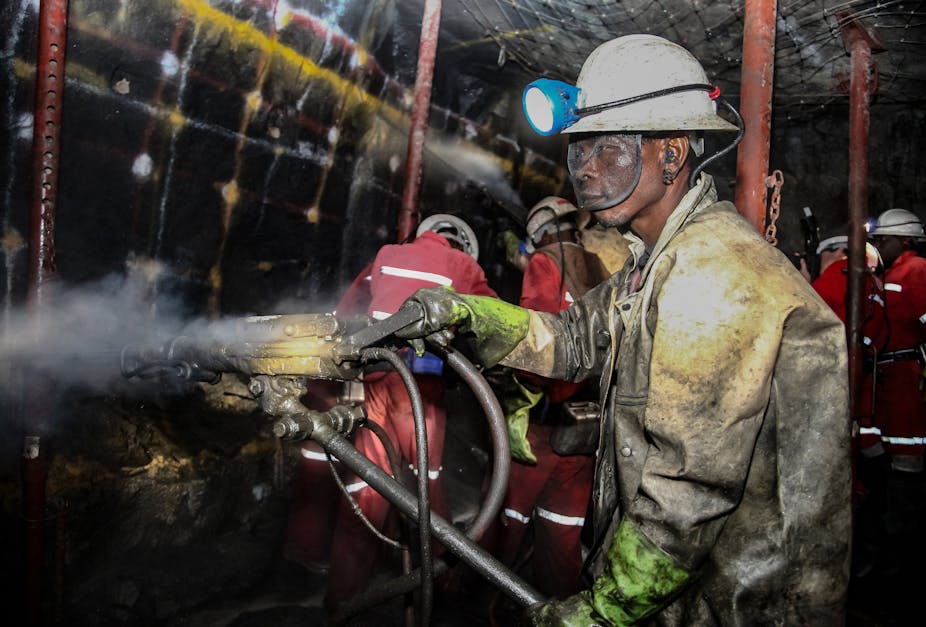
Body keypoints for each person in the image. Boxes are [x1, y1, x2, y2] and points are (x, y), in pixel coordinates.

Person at [393, 34, 851, 624]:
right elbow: (573, 339)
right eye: (579, 148)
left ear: (672, 153)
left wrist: (603, 610)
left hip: (740, 601)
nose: (585, 168)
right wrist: (468, 315)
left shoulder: (714, 273)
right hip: (690, 591)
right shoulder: (657, 260)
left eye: (608, 147)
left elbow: (688, 491)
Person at [324, 213, 497, 606]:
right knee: (428, 483)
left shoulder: (386, 253)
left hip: (375, 381)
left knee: (370, 484)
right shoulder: (462, 265)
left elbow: (346, 310)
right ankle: (437, 587)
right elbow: (494, 320)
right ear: (459, 243)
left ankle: (342, 599)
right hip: (421, 388)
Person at [486, 196, 608, 599]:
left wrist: (512, 385)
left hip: (543, 422)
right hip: (588, 423)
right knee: (563, 529)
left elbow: (534, 341)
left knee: (507, 519)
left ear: (538, 232)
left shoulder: (544, 263)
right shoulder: (599, 267)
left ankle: (487, 603)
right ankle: (556, 610)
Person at [865, 208, 926, 578]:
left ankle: (907, 555)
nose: (877, 245)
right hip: (885, 380)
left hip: (906, 378)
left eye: (882, 239)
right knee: (886, 469)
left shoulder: (916, 271)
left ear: (904, 240)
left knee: (908, 467)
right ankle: (890, 546)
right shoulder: (887, 274)